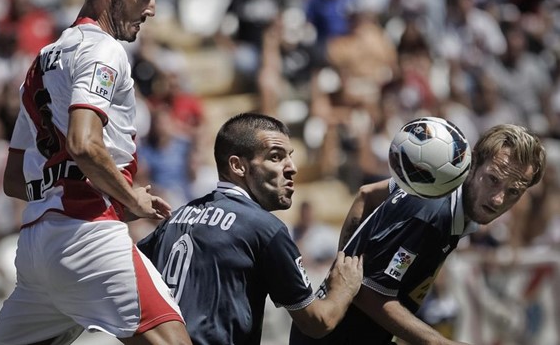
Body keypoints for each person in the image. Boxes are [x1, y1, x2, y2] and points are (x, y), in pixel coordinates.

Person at [0, 0, 192, 345]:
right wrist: (131, 200)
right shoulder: (104, 50)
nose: (151, 9)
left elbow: (14, 180)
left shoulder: (41, 61)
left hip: (36, 250)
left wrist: (61, 184)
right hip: (89, 236)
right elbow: (83, 142)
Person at [290, 123, 546, 345]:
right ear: (474, 162)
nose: (499, 198)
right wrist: (436, 341)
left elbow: (365, 194)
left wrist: (345, 261)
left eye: (514, 192)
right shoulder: (431, 214)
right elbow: (367, 293)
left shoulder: (435, 182)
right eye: (492, 179)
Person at [138, 112, 364, 345]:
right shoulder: (264, 228)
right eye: (276, 157)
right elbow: (317, 322)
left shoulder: (174, 219)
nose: (292, 168)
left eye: (290, 157)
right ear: (238, 166)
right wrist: (344, 288)